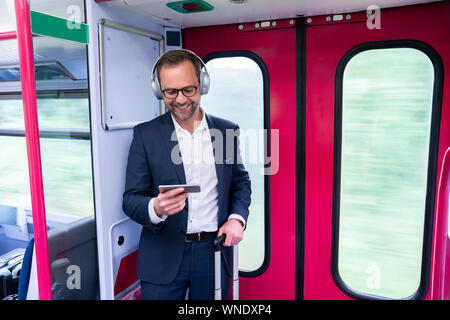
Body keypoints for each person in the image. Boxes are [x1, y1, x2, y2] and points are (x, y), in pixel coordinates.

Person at [122, 49, 251, 300]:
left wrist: (237, 218)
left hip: (212, 252)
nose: (180, 99)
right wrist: (155, 208)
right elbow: (130, 199)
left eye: (188, 90)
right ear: (160, 91)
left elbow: (240, 182)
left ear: (202, 85)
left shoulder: (226, 130)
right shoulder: (145, 135)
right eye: (171, 92)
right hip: (162, 255)